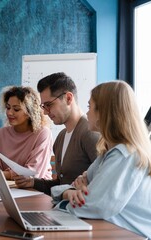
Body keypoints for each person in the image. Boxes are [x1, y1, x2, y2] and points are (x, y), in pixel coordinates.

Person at [51, 80, 151, 239]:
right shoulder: (108, 153)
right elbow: (76, 189)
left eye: (90, 107)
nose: (87, 113)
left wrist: (64, 197)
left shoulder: (125, 155)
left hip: (129, 235)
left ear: (104, 113)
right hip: (111, 231)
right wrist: (69, 192)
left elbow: (95, 206)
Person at [14, 72, 100, 195]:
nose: (45, 112)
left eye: (49, 105)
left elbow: (104, 185)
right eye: (44, 106)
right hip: (65, 208)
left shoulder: (90, 134)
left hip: (81, 211)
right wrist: (33, 182)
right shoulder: (61, 137)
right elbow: (61, 185)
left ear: (68, 98)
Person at [0, 86, 53, 180]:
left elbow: (33, 173)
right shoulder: (2, 133)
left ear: (30, 112)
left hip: (36, 189)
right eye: (8, 108)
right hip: (8, 187)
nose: (9, 113)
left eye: (16, 109)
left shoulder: (42, 133)